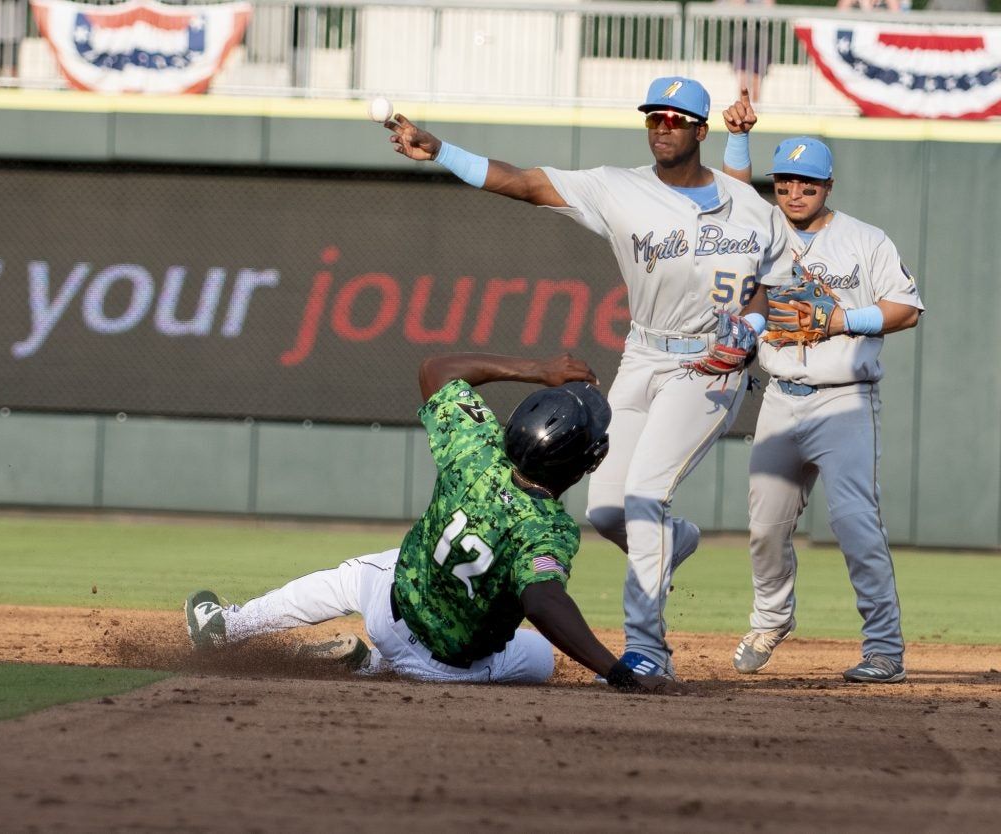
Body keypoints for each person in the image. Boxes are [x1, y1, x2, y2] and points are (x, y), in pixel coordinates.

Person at [380, 77, 793, 681]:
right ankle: (669, 543)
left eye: (677, 120)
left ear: (701, 131)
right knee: (605, 510)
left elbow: (768, 292)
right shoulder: (616, 187)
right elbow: (521, 182)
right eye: (655, 117)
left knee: (645, 495)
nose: (663, 127)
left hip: (709, 369)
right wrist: (439, 149)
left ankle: (649, 649)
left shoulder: (753, 211)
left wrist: (750, 330)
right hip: (645, 353)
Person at [186, 351, 673, 693]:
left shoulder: (476, 450)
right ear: (589, 461)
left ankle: (230, 627)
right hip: (447, 671)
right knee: (540, 658)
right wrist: (616, 671)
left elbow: (435, 369)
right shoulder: (548, 529)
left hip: (391, 607)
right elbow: (543, 601)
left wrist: (536, 370)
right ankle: (373, 667)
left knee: (354, 576)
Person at [721, 90, 924, 683]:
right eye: (784, 183)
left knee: (857, 523)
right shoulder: (760, 230)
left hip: (844, 400)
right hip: (781, 397)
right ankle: (771, 618)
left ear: (827, 186)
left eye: (807, 184)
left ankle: (884, 648)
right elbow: (735, 197)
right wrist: (738, 139)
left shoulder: (865, 239)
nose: (794, 193)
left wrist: (841, 320)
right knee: (764, 527)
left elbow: (906, 309)